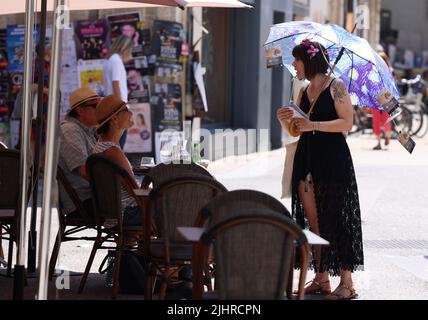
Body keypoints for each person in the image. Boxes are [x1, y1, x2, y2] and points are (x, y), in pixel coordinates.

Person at [277, 40, 364, 300]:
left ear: (310, 60)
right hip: (307, 158)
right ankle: (321, 278)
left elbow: (346, 122)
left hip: (333, 159)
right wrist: (287, 121)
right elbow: (298, 129)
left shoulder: (336, 86)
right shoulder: (304, 90)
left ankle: (347, 283)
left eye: (297, 60)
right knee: (313, 222)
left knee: (335, 220)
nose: (294, 65)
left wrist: (312, 124)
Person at [92, 94, 142, 226]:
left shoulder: (102, 146)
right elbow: (135, 191)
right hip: (127, 214)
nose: (131, 112)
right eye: (126, 109)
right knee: (174, 205)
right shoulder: (112, 151)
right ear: (114, 118)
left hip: (116, 214)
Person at [58, 87, 101, 220]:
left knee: (145, 203)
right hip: (83, 202)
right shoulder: (70, 131)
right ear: (80, 110)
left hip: (93, 197)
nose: (100, 110)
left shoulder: (86, 131)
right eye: (96, 106)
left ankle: (130, 238)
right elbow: (85, 171)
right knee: (146, 205)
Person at [103, 35, 134, 149]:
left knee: (115, 142)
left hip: (112, 106)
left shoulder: (110, 60)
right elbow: (115, 83)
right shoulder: (116, 61)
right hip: (117, 107)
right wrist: (121, 107)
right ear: (125, 48)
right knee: (119, 142)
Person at [372, 51, 394, 150]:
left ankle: (379, 142)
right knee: (386, 118)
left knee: (377, 119)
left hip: (377, 95)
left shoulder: (375, 69)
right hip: (386, 95)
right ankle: (387, 136)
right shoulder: (389, 70)